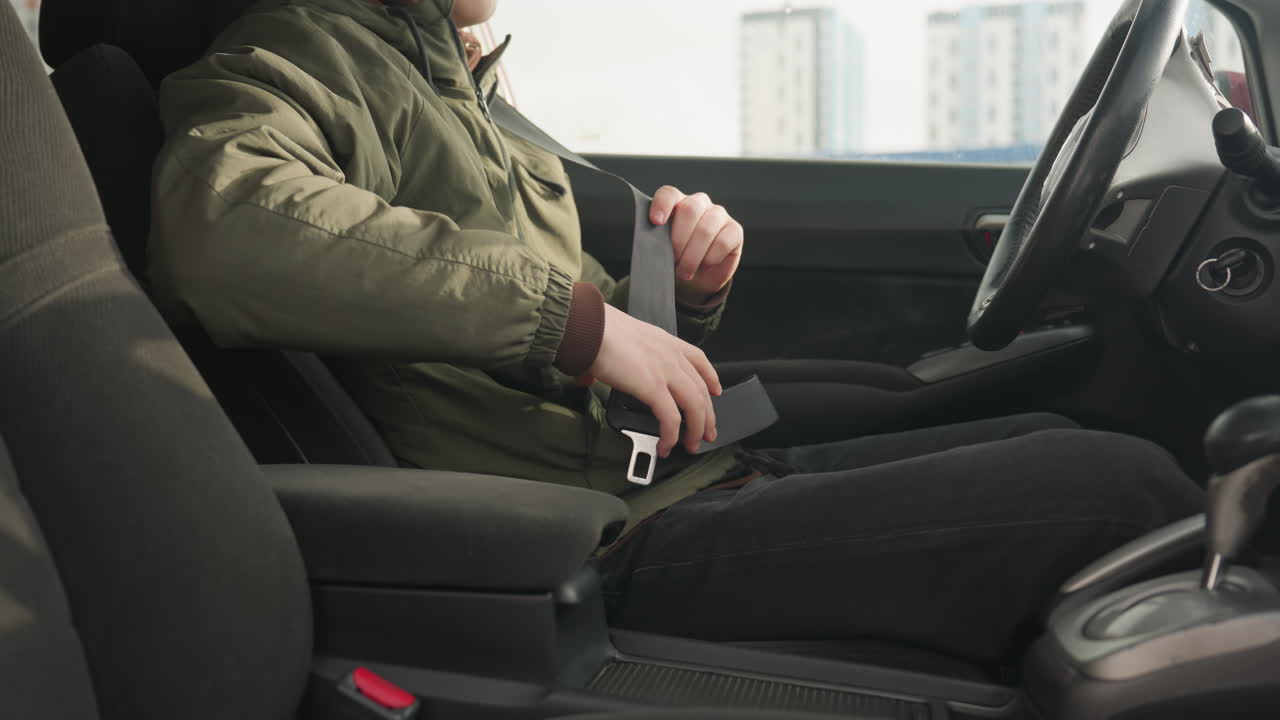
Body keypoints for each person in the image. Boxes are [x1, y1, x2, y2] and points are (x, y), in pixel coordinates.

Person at [149, 0, 1201, 668]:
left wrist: (682, 297)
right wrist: (576, 321)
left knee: (1084, 445)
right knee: (1120, 488)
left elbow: (538, 331)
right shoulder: (303, 45)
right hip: (591, 536)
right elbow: (223, 222)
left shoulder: (455, 83)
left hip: (674, 472)